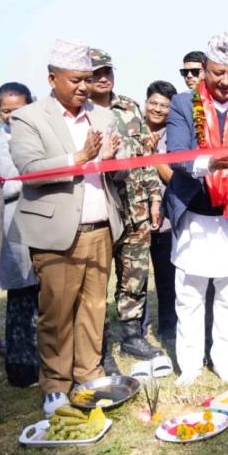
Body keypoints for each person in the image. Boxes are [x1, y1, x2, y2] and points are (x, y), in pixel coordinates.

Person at [9, 39, 124, 416]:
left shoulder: (103, 116)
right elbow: (30, 171)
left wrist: (110, 159)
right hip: (56, 232)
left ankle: (88, 373)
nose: (83, 88)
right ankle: (56, 384)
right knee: (56, 311)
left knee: (93, 306)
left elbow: (118, 168)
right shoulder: (29, 118)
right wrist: (79, 158)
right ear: (52, 78)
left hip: (100, 226)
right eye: (75, 80)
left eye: (87, 81)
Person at [165, 33, 228, 386]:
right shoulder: (183, 103)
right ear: (206, 70)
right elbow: (177, 154)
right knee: (190, 293)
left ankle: (223, 359)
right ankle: (191, 364)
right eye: (218, 73)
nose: (225, 81)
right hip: (195, 212)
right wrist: (209, 161)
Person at [88, 48, 163, 372]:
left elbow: (146, 156)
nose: (103, 78)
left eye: (108, 71)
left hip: (137, 208)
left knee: (134, 276)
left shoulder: (130, 107)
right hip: (102, 208)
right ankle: (99, 345)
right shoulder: (82, 113)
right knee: (96, 282)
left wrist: (155, 198)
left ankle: (132, 334)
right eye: (96, 73)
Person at [0, 82, 40, 387]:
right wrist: (33, 176)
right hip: (13, 226)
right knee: (21, 299)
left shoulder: (37, 133)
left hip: (41, 222)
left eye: (19, 110)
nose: (12, 117)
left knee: (42, 296)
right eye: (6, 111)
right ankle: (21, 368)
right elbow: (1, 185)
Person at [144, 80, 180, 350]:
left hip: (164, 217)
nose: (157, 109)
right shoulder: (133, 130)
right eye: (153, 103)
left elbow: (173, 178)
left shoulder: (174, 135)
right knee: (132, 279)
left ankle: (168, 326)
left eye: (164, 106)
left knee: (165, 276)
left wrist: (154, 155)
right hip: (133, 216)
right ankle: (136, 329)